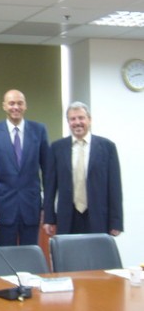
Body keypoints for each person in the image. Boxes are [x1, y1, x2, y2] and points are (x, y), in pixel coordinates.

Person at [43, 101, 123, 236]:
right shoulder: (57, 148)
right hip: (68, 217)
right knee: (69, 256)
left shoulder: (107, 147)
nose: (77, 122)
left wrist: (116, 222)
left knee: (96, 256)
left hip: (98, 217)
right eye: (72, 119)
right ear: (68, 122)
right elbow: (50, 187)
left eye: (81, 118)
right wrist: (49, 219)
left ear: (89, 120)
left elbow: (114, 187)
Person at [0, 89, 50, 246]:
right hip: (4, 207)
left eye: (20, 103)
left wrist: (46, 207)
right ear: (4, 106)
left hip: (32, 206)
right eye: (11, 103)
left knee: (31, 255)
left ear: (25, 106)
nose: (16, 107)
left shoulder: (39, 130)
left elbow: (47, 171)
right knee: (6, 258)